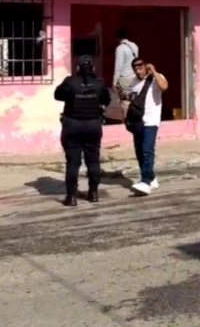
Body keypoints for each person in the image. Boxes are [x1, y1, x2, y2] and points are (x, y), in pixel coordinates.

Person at [54, 56, 111, 205]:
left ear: (78, 68)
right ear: (93, 68)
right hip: (93, 126)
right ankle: (93, 193)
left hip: (72, 126)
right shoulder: (99, 83)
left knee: (73, 163)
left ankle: (71, 197)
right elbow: (106, 100)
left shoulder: (70, 82)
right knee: (93, 161)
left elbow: (57, 95)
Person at [123, 58, 168, 196]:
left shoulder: (155, 78)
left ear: (146, 67)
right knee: (139, 152)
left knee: (147, 150)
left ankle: (145, 182)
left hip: (151, 121)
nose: (138, 71)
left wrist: (154, 72)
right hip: (137, 122)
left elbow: (164, 87)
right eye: (135, 69)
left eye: (140, 68)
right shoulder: (134, 82)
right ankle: (151, 178)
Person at [113, 28, 139, 118]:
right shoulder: (135, 46)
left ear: (117, 38)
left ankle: (126, 121)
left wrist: (114, 81)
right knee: (133, 100)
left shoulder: (120, 48)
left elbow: (118, 66)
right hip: (134, 76)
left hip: (124, 78)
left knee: (125, 102)